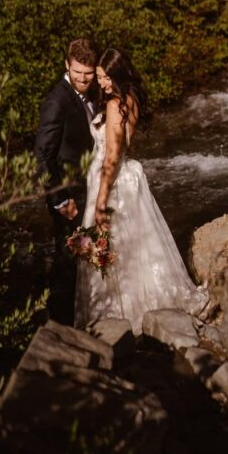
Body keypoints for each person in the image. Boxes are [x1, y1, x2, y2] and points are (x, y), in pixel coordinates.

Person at [75, 47, 207, 334]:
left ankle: (115, 316)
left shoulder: (113, 106)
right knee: (137, 246)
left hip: (110, 182)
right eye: (99, 78)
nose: (102, 83)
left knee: (113, 248)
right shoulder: (130, 98)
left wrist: (100, 202)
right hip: (127, 176)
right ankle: (144, 307)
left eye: (107, 78)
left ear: (119, 75)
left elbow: (111, 157)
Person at [35, 37, 99, 324]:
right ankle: (58, 325)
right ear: (66, 65)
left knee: (81, 257)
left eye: (88, 72)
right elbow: (43, 156)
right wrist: (59, 200)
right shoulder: (56, 101)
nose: (84, 79)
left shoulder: (92, 90)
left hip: (88, 187)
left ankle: (79, 316)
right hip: (67, 195)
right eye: (78, 72)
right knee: (66, 260)